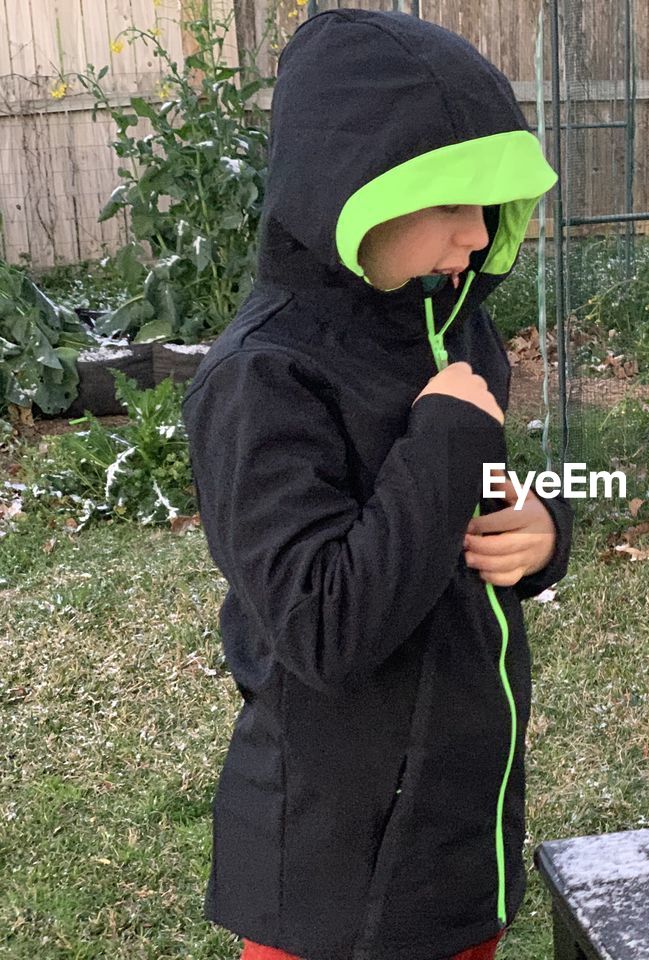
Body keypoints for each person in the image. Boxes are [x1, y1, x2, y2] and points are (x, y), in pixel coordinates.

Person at [180, 10, 571, 960]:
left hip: (454, 836)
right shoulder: (261, 382)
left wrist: (545, 531)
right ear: (351, 194)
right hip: (333, 886)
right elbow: (322, 627)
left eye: (490, 206)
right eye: (451, 204)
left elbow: (474, 508)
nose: (478, 237)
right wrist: (445, 438)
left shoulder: (448, 326)